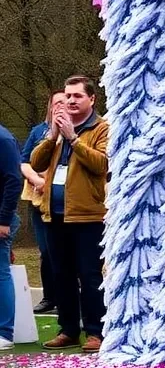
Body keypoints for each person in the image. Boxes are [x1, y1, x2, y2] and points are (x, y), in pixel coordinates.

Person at [30, 75, 108, 352]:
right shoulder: (55, 129)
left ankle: (96, 331)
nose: (71, 101)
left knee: (89, 276)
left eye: (77, 96)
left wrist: (73, 139)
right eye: (67, 96)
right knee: (60, 274)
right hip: (54, 214)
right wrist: (53, 137)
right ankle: (69, 330)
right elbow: (36, 162)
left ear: (91, 99)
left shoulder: (101, 128)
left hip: (87, 215)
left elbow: (101, 164)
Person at [20, 91, 64, 314]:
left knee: (67, 252)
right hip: (39, 201)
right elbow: (24, 161)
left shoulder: (77, 133)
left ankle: (70, 298)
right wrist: (37, 180)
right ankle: (49, 297)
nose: (60, 106)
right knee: (46, 251)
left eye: (65, 102)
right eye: (56, 102)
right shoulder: (38, 131)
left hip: (66, 202)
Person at [0, 121, 23, 351]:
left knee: (0, 272)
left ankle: (4, 332)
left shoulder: (3, 139)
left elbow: (13, 180)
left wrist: (4, 220)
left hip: (0, 218)